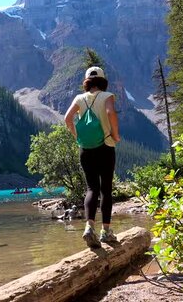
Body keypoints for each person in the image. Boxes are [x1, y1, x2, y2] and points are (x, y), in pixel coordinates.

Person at [64, 66, 121, 248]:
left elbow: (67, 118)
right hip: (105, 146)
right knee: (105, 189)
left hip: (85, 149)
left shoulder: (79, 98)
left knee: (91, 188)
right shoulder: (107, 96)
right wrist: (115, 135)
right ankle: (106, 231)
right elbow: (110, 113)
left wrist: (77, 137)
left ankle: (89, 227)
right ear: (103, 80)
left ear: (87, 81)